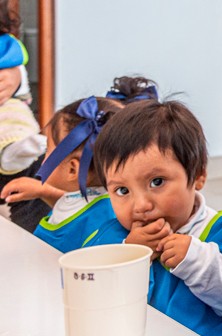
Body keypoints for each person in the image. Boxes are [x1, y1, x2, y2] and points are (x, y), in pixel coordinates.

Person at [89, 98, 222, 336]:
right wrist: (128, 254)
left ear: (198, 176)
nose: (141, 205)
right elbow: (88, 291)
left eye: (157, 182)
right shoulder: (114, 233)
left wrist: (197, 260)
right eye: (122, 191)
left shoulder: (221, 232)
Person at [0, 76, 158, 246]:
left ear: (72, 170)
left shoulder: (107, 224)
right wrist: (44, 191)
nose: (42, 158)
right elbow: (74, 212)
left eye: (47, 150)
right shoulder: (91, 200)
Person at [0, 0, 47, 230]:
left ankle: (18, 150)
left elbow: (20, 90)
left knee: (33, 168)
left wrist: (16, 78)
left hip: (10, 123)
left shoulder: (8, 50)